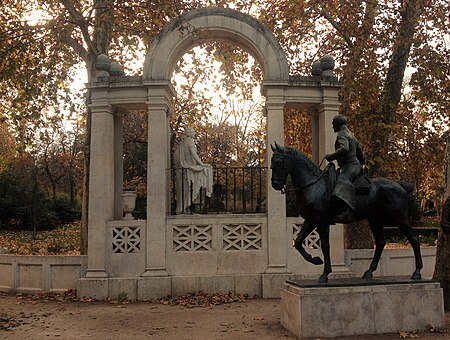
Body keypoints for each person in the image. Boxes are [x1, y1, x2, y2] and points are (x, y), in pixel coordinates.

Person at [324, 114, 365, 223]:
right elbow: (361, 155)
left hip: (350, 166)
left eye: (333, 123)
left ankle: (346, 211)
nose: (332, 126)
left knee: (342, 181)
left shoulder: (341, 134)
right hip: (352, 166)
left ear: (338, 123)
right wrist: (362, 166)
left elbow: (345, 148)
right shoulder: (352, 135)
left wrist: (331, 156)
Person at [173, 127, 213, 214]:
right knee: (187, 188)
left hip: (183, 169)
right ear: (189, 133)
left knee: (183, 189)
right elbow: (193, 154)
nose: (195, 133)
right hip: (188, 169)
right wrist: (202, 164)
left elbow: (176, 156)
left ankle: (182, 208)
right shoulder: (190, 141)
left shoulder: (181, 143)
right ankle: (184, 208)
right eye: (193, 132)